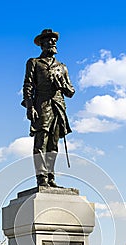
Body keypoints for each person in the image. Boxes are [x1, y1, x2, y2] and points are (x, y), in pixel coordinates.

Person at [21, 29, 75, 187]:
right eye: (49, 40)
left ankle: (51, 178)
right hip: (42, 105)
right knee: (41, 143)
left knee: (53, 145)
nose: (53, 43)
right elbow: (28, 86)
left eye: (54, 40)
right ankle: (42, 179)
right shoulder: (34, 63)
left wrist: (62, 84)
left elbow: (71, 91)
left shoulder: (62, 67)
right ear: (42, 44)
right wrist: (30, 107)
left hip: (58, 107)